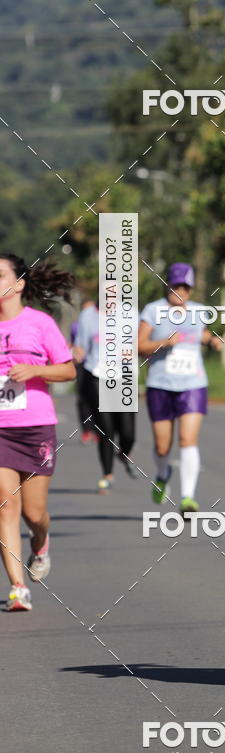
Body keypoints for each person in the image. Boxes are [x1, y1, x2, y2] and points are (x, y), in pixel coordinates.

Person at [0, 254, 76, 611]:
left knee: (34, 513)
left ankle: (40, 543)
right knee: (5, 505)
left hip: (35, 428)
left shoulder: (40, 323)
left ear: (18, 284)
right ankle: (18, 587)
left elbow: (67, 371)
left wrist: (34, 370)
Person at [138, 263, 221, 514]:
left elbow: (201, 334)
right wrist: (164, 342)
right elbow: (140, 345)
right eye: (176, 286)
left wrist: (212, 340)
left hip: (193, 384)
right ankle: (163, 473)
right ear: (168, 285)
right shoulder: (153, 311)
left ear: (191, 288)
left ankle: (187, 498)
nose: (180, 291)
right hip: (160, 384)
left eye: (185, 287)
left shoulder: (199, 311)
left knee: (188, 440)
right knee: (163, 446)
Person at [73, 299, 137, 493]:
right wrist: (71, 356)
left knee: (127, 433)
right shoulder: (88, 315)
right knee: (106, 429)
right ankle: (107, 475)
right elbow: (81, 347)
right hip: (97, 376)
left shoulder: (130, 313)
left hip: (124, 377)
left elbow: (139, 342)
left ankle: (124, 452)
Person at [70, 299, 96, 444]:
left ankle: (99, 430)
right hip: (82, 366)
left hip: (100, 367)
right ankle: (86, 430)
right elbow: (74, 345)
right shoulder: (76, 327)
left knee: (98, 400)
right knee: (83, 399)